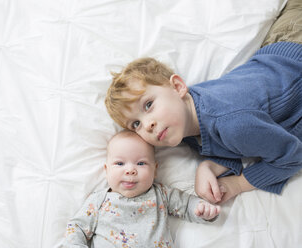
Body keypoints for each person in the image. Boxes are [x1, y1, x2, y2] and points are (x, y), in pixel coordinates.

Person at [104, 0, 302, 204]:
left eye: (148, 105)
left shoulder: (232, 123)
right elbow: (228, 144)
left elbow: (291, 157)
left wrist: (238, 184)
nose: (148, 124)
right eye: (136, 124)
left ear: (179, 87)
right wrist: (209, 167)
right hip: (279, 53)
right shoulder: (184, 120)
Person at [63, 130, 220, 247]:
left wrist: (201, 209)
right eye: (119, 163)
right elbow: (77, 227)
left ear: (155, 169)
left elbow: (186, 205)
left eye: (141, 163)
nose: (130, 170)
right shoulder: (98, 200)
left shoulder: (161, 194)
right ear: (106, 170)